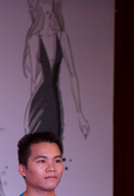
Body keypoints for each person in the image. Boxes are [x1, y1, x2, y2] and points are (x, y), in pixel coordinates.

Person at [23, 0, 89, 140]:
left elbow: (73, 74)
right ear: (39, 5)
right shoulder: (33, 40)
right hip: (39, 102)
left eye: (50, 2)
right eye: (44, 2)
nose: (48, 5)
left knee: (54, 143)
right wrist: (30, 113)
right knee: (38, 145)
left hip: (54, 102)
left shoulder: (62, 37)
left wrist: (80, 114)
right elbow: (33, 82)